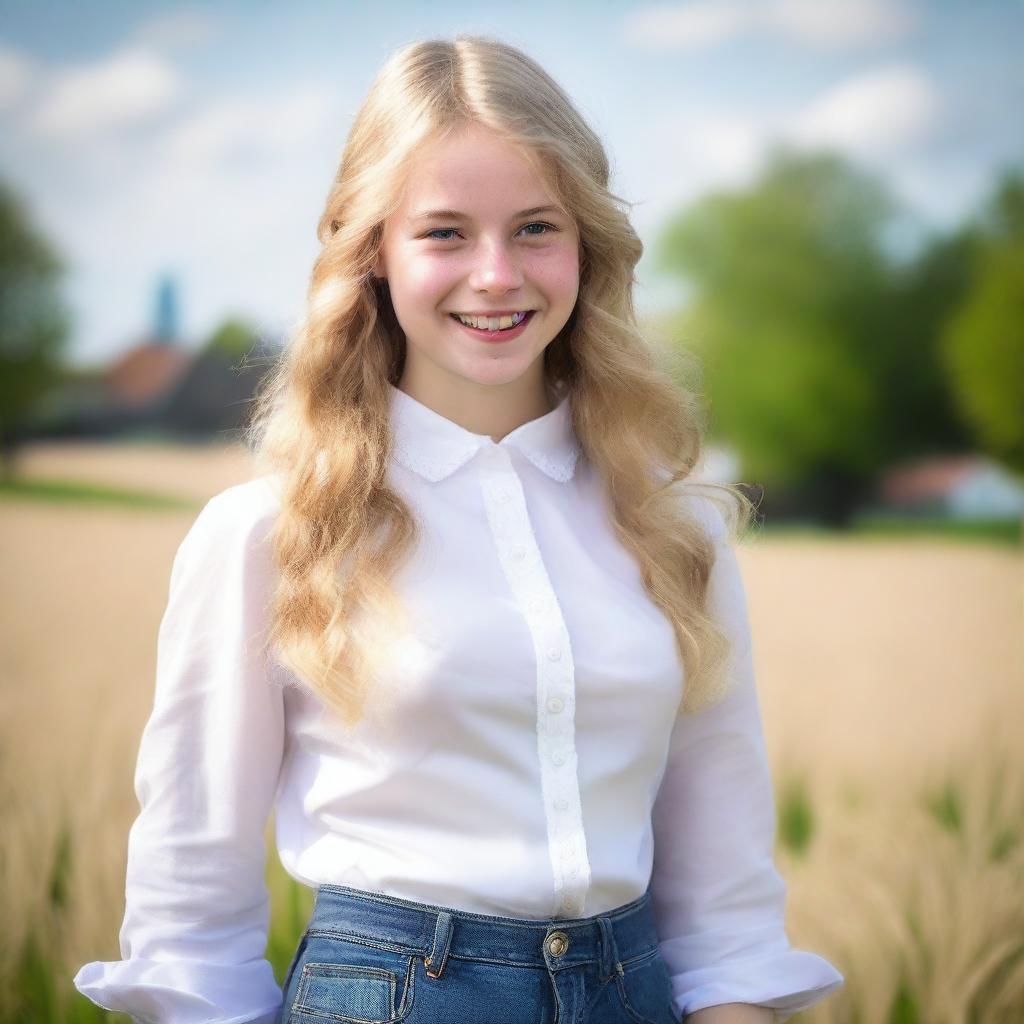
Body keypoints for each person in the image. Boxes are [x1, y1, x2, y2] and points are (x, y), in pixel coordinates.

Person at [73, 34, 844, 1024]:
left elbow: (724, 887)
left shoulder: (671, 522)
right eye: (443, 233)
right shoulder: (268, 533)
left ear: (586, 247)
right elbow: (190, 917)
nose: (496, 274)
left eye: (534, 228)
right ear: (373, 256)